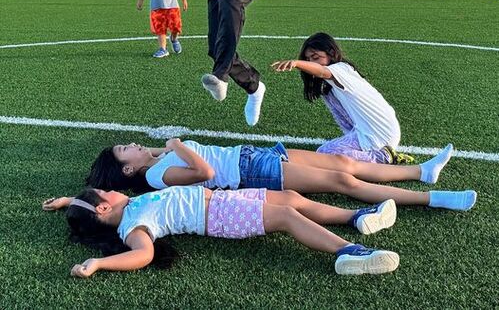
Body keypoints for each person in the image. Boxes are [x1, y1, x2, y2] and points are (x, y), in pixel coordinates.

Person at [42, 187, 400, 277]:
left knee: (290, 198)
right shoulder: (131, 225)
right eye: (105, 193)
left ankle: (356, 216)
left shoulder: (127, 206)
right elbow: (143, 254)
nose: (111, 189)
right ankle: (347, 252)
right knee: (288, 216)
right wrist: (99, 264)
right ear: (104, 209)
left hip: (221, 199)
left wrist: (68, 201)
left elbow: (91, 207)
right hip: (218, 215)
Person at [86, 138, 477, 212]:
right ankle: (433, 199)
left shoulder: (154, 161)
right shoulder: (157, 177)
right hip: (249, 171)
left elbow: (160, 156)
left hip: (253, 155)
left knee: (342, 163)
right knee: (343, 183)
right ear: (127, 168)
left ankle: (422, 171)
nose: (131, 144)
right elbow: (204, 170)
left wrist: (159, 149)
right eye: (125, 149)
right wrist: (175, 143)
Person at [272, 32, 413, 164]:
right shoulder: (331, 84)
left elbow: (322, 71)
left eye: (315, 57)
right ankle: (373, 152)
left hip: (380, 133)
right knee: (330, 103)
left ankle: (383, 156)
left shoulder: (341, 69)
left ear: (331, 53)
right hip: (370, 131)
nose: (311, 62)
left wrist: (297, 63)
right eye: (308, 59)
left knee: (324, 153)